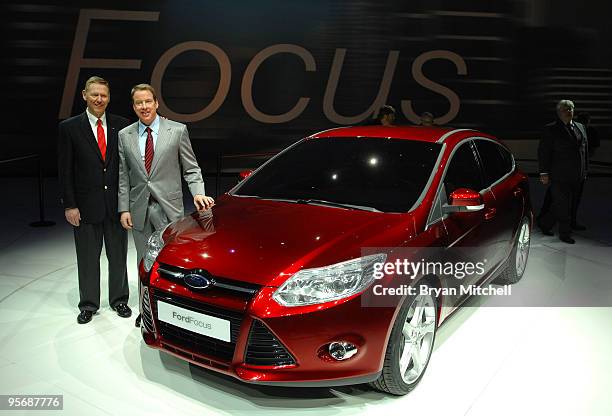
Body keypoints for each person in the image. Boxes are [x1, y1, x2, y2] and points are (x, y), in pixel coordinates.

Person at [118, 83, 214, 326]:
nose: (144, 106)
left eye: (147, 101)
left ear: (156, 103)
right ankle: (145, 310)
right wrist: (124, 208)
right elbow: (123, 176)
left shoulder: (177, 130)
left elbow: (191, 169)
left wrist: (198, 193)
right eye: (139, 103)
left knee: (169, 262)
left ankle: (172, 312)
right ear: (134, 106)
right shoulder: (125, 135)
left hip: (169, 208)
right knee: (143, 261)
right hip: (138, 208)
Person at [58, 76, 132, 324]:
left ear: (109, 97)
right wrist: (70, 204)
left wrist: (126, 204)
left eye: (104, 95)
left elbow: (125, 168)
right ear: (84, 95)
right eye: (95, 95)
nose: (99, 99)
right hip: (85, 206)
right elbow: (65, 169)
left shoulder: (121, 126)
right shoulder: (69, 128)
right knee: (88, 259)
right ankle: (88, 304)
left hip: (115, 206)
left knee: (118, 256)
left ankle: (120, 299)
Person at [538, 99, 589, 244]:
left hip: (577, 174)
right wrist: (544, 172)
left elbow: (583, 151)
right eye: (566, 109)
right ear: (559, 112)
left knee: (567, 202)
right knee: (563, 204)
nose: (570, 111)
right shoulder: (551, 129)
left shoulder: (580, 127)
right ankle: (564, 233)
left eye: (571, 108)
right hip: (558, 174)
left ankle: (545, 223)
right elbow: (544, 152)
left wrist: (585, 170)